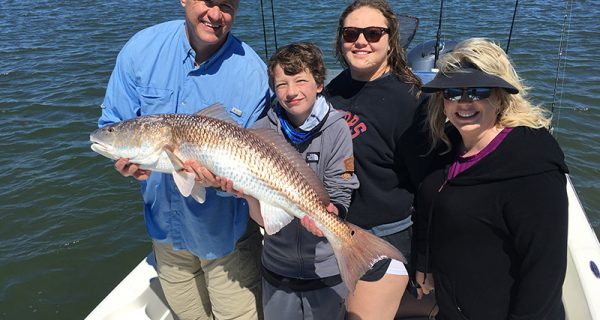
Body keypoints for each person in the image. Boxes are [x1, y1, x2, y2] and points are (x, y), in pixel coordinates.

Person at [97, 1, 272, 319]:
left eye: (227, 5)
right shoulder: (142, 50)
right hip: (165, 232)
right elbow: (114, 122)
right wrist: (128, 166)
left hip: (227, 237)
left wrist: (225, 183)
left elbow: (260, 159)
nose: (216, 15)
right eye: (208, 1)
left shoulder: (253, 74)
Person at [415, 38, 569, 319]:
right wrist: (423, 263)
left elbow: (544, 268)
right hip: (453, 307)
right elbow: (430, 202)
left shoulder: (533, 165)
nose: (463, 102)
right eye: (452, 92)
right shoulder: (447, 144)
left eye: (477, 90)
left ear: (500, 95)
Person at [216, 42, 360, 320]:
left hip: (326, 266)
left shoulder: (337, 128)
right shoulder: (258, 132)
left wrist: (334, 215)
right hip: (277, 266)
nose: (291, 91)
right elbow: (263, 219)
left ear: (319, 84)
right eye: (281, 84)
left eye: (301, 81)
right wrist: (244, 193)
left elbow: (341, 189)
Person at [324, 0, 436, 318]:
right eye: (351, 33)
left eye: (373, 33)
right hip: (334, 230)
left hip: (384, 238)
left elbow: (429, 186)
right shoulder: (335, 88)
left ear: (391, 40)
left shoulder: (410, 102)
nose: (361, 41)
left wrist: (425, 260)